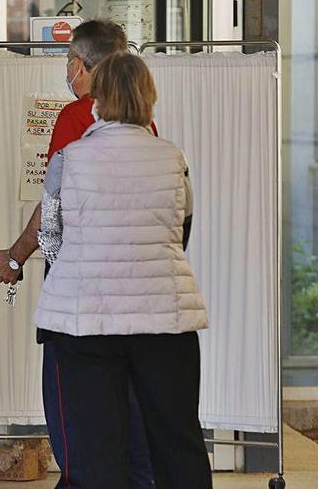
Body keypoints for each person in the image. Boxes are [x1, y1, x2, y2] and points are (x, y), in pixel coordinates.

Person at [0, 20, 155, 489]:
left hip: (79, 296)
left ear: (80, 66)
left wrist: (16, 259)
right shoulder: (148, 130)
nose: (68, 72)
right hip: (138, 298)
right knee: (131, 404)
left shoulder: (76, 116)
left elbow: (52, 209)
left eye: (68, 63)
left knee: (69, 403)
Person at [36, 53, 211, 489]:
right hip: (165, 321)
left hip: (86, 321)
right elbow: (180, 230)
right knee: (178, 443)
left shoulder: (67, 160)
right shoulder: (174, 159)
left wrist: (82, 267)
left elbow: (50, 237)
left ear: (98, 99)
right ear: (148, 97)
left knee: (96, 450)